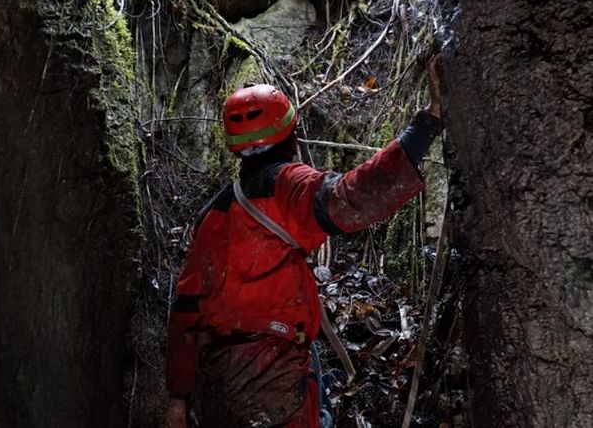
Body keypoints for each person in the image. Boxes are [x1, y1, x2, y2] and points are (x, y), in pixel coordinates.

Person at [165, 56, 444, 428]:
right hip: (272, 380)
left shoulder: (213, 214)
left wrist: (178, 400)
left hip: (216, 385)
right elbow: (352, 197)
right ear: (291, 136)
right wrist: (427, 123)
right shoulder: (286, 186)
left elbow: (185, 313)